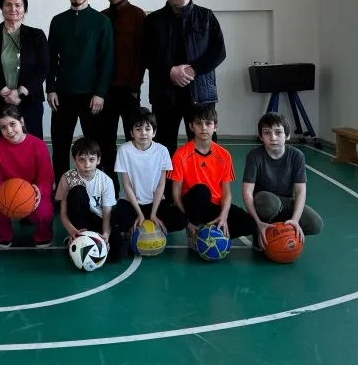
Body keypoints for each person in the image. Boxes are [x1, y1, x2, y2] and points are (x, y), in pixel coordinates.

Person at [142, 0, 226, 156]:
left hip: (200, 94)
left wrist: (193, 70)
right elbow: (145, 54)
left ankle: (203, 177)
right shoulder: (153, 21)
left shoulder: (206, 16)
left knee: (204, 146)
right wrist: (170, 71)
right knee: (163, 147)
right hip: (165, 94)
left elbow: (219, 52)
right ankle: (167, 178)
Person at [47, 0, 114, 183]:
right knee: (60, 145)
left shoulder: (101, 22)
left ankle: (97, 189)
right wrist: (51, 88)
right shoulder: (58, 21)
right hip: (63, 94)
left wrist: (100, 93)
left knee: (95, 146)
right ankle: (61, 189)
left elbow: (107, 61)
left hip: (91, 96)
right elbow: (51, 59)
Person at [168, 104, 255, 248]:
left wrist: (224, 216)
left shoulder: (224, 155)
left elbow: (227, 193)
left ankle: (209, 233)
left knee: (250, 224)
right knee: (202, 191)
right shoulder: (181, 155)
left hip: (214, 206)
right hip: (193, 204)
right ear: (191, 127)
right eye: (198, 123)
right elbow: (176, 195)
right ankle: (194, 228)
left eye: (208, 123)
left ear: (215, 127)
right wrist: (188, 221)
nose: (203, 128)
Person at [0, 0, 49, 150]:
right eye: (8, 4)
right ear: (1, 8)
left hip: (28, 102)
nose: (13, 9)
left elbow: (43, 68)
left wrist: (20, 91)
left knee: (30, 148)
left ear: (24, 9)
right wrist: (2, 89)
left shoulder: (37, 36)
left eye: (18, 5)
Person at [108, 107, 186, 255]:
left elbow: (161, 184)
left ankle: (151, 223)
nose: (143, 133)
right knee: (116, 219)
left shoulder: (162, 151)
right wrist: (140, 214)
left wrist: (154, 214)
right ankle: (138, 224)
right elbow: (127, 185)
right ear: (132, 133)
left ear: (154, 132)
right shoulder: (124, 150)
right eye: (138, 129)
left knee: (181, 220)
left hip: (155, 202)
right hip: (131, 202)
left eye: (147, 129)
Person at [241, 112, 323, 250]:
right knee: (270, 202)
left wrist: (295, 220)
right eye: (267, 133)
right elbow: (247, 192)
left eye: (278, 132)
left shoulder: (297, 156)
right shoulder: (254, 156)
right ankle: (260, 231)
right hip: (264, 202)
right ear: (261, 136)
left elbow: (300, 191)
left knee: (315, 224)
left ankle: (281, 230)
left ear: (287, 135)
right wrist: (258, 222)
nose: (273, 137)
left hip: (285, 203)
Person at [0, 105, 55, 249]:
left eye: (12, 124)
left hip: (33, 193)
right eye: (3, 127)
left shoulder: (39, 145)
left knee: (43, 212)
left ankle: (43, 234)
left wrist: (39, 191)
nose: (9, 130)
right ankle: (4, 235)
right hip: (8, 193)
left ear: (21, 122)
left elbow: (46, 178)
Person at [99, 0, 147, 173]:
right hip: (106, 90)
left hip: (129, 89)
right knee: (106, 140)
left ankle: (136, 185)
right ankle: (110, 185)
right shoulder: (102, 17)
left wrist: (135, 86)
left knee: (133, 139)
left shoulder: (138, 15)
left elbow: (142, 54)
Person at [54, 136, 119, 261]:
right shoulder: (67, 178)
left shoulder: (106, 181)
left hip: (98, 220)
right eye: (81, 160)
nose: (87, 165)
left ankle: (91, 239)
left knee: (115, 255)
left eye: (91, 159)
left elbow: (107, 214)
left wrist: (106, 235)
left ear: (98, 160)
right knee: (78, 191)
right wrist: (72, 231)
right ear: (74, 160)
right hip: (79, 221)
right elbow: (63, 214)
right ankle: (77, 238)